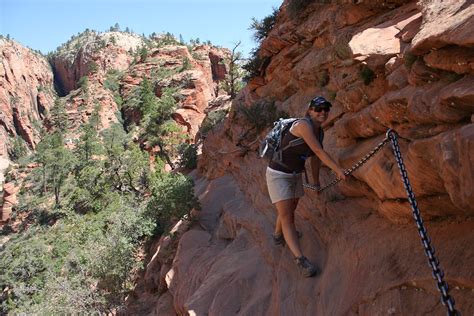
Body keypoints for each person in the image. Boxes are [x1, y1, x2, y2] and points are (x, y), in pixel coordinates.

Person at [265, 96, 347, 277]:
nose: (323, 112)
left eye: (326, 109)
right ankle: (301, 261)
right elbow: (318, 151)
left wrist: (316, 182)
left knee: (290, 208)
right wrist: (338, 170)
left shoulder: (319, 132)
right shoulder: (303, 126)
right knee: (288, 217)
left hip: (294, 174)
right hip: (278, 174)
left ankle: (278, 236)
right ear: (310, 110)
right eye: (318, 109)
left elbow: (315, 159)